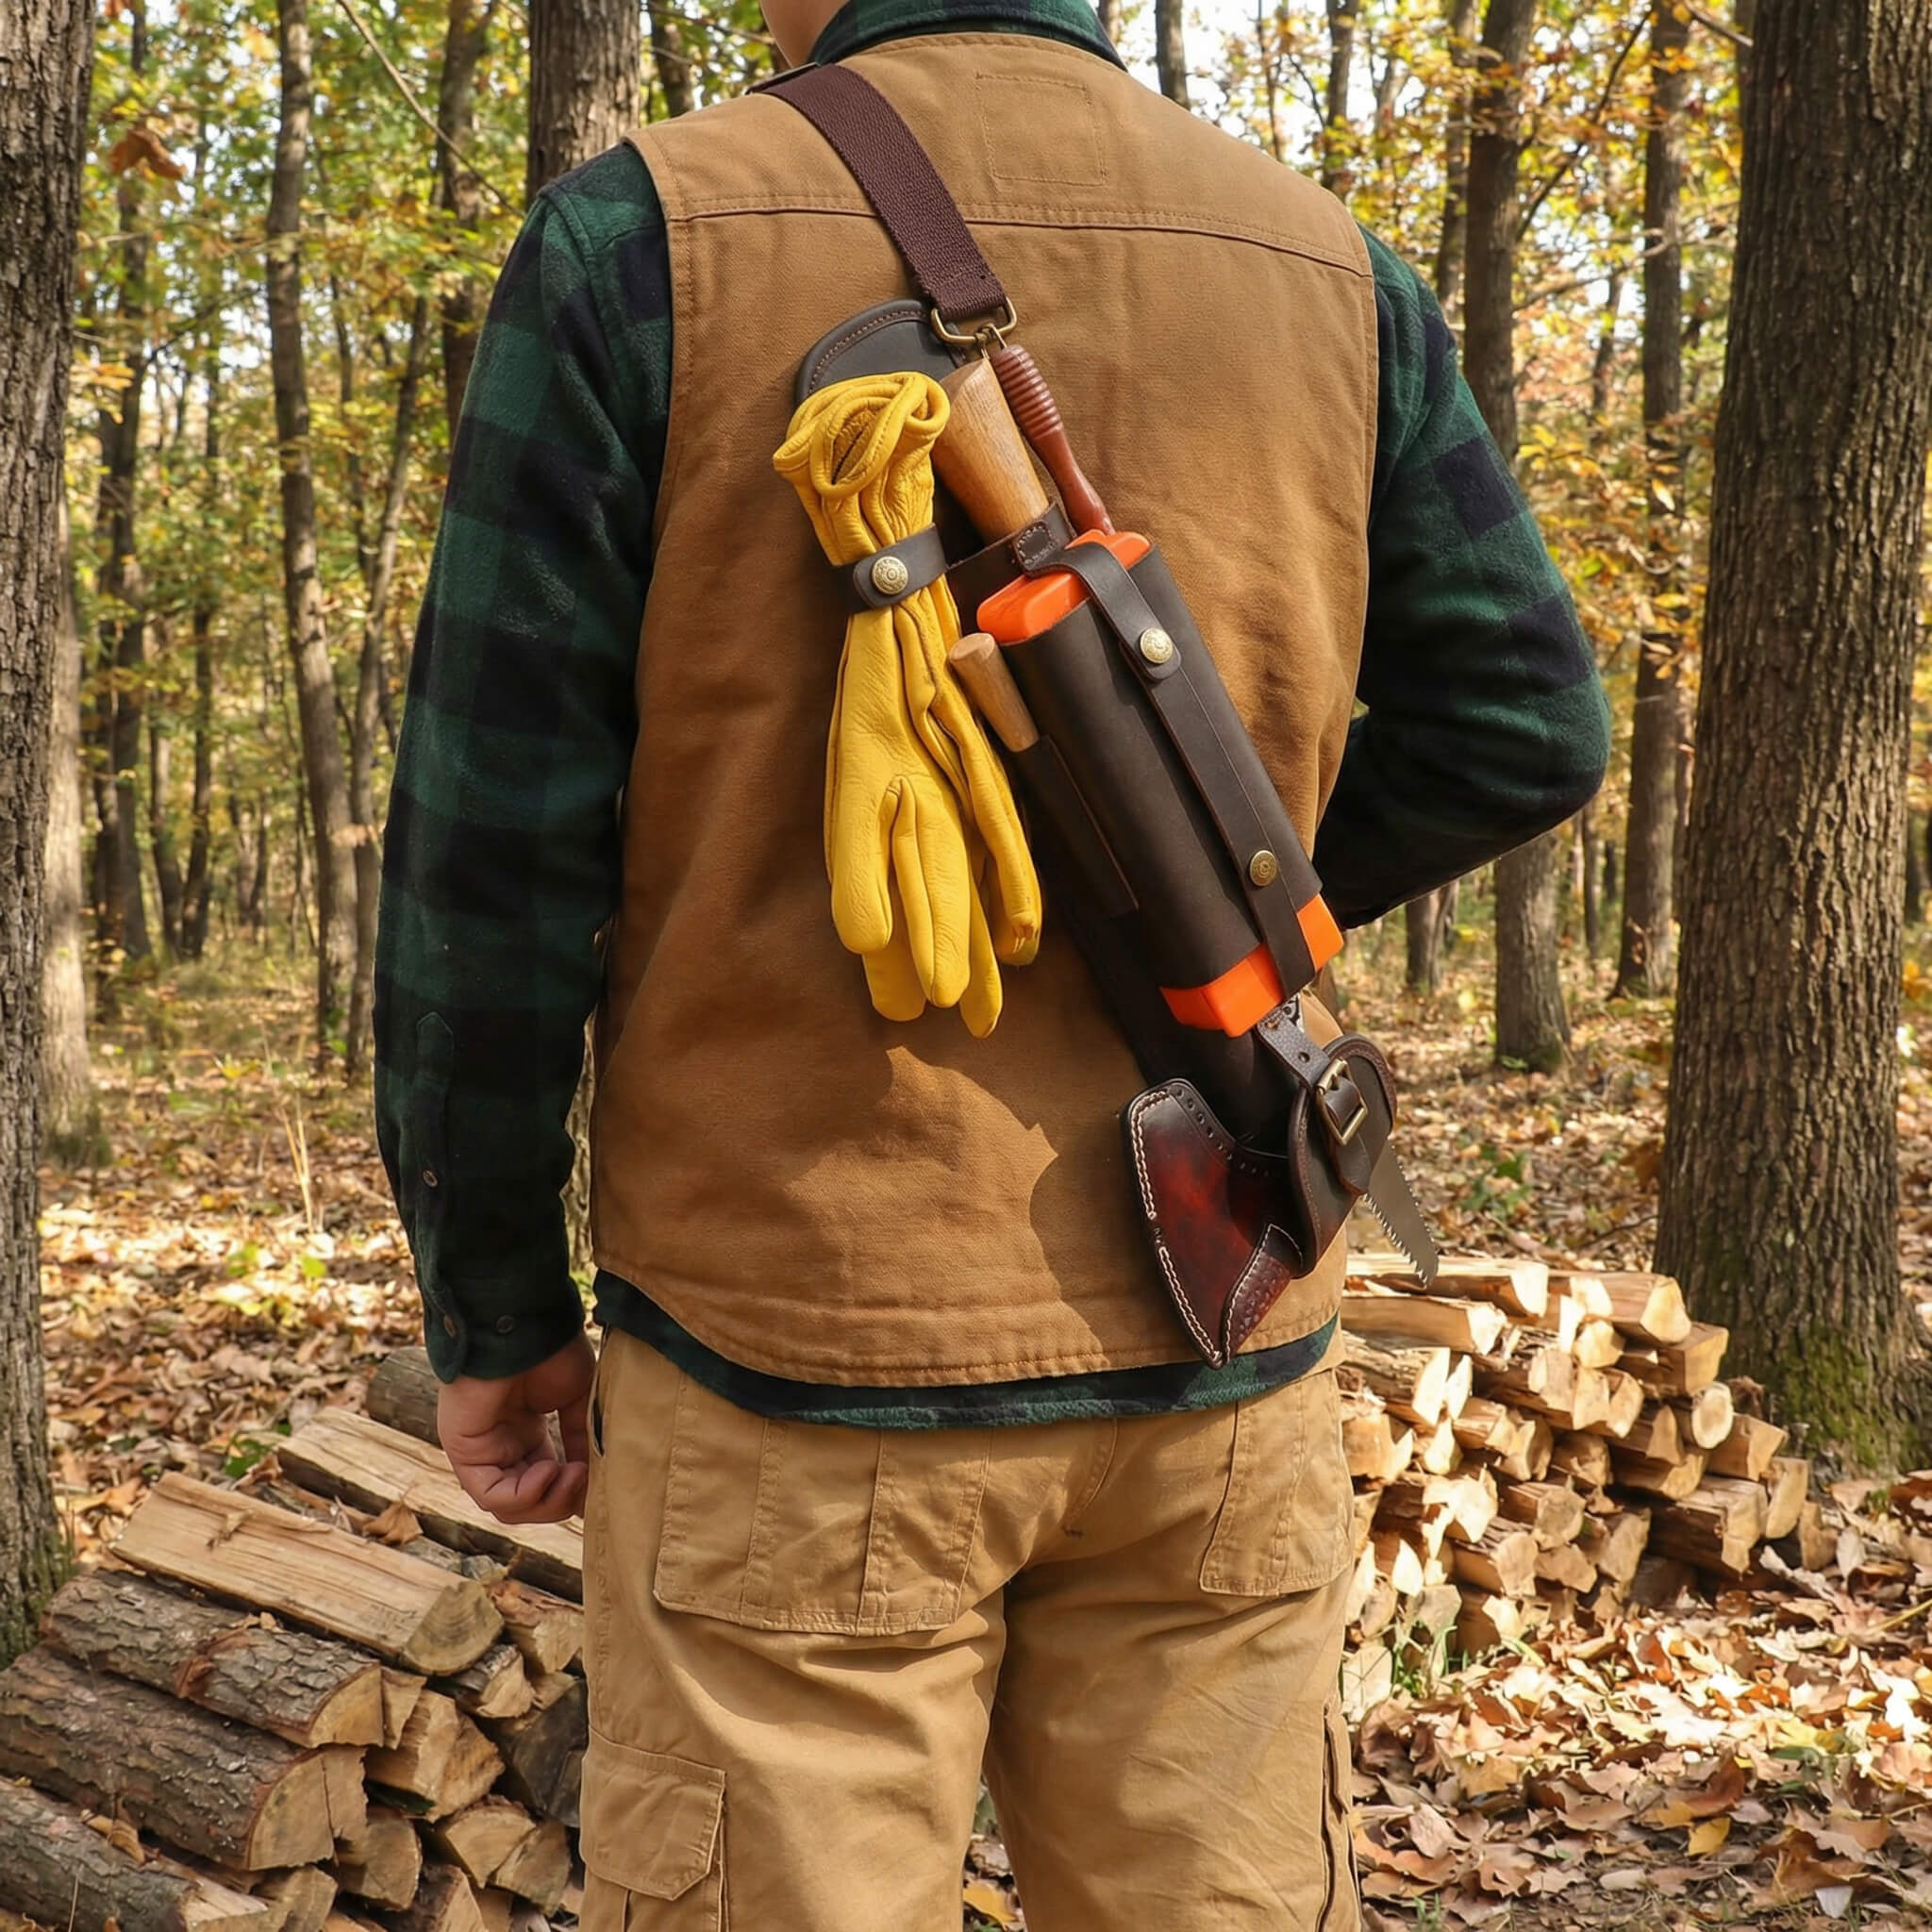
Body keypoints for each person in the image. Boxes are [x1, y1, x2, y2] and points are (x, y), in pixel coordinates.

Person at [374, 0, 1610, 1923]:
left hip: (795, 1354)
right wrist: (1221, 903)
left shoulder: (644, 237)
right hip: (1223, 1311)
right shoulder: (1324, 258)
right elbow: (1530, 722)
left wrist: (492, 1306)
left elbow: (489, 850)